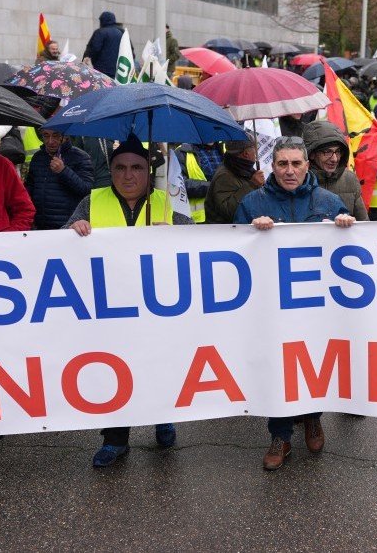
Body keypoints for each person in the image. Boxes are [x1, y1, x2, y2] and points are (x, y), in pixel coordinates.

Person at [66, 136, 190, 467]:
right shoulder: (91, 202)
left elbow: (196, 244)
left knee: (157, 364)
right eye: (120, 168)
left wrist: (176, 235)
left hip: (156, 308)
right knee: (113, 373)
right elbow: (62, 247)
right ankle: (115, 439)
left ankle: (163, 417)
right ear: (111, 170)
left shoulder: (165, 203)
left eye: (137, 167)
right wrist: (73, 230)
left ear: (148, 172)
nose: (128, 175)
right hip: (110, 310)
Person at [233, 137, 354, 470]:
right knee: (278, 368)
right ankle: (281, 434)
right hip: (270, 307)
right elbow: (232, 252)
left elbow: (354, 248)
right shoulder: (252, 203)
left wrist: (345, 225)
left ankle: (313, 417)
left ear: (307, 165)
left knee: (312, 363)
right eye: (282, 164)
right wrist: (249, 231)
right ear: (273, 166)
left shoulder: (329, 202)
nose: (290, 171)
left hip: (316, 308)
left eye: (296, 164)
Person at [25, 129, 94, 230]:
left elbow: (86, 190)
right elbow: (30, 188)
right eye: (46, 135)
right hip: (40, 225)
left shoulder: (80, 157)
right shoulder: (38, 157)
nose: (50, 141)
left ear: (65, 136)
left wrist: (63, 171)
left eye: (56, 136)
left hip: (67, 225)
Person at [302, 120, 368, 221]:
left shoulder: (350, 178)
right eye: (327, 152)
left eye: (338, 152)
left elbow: (363, 223)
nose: (335, 159)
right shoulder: (299, 180)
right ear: (311, 154)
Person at [205, 133, 263, 224]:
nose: (256, 153)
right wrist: (252, 185)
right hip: (226, 234)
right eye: (255, 150)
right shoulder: (224, 176)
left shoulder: (243, 169)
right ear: (246, 154)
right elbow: (229, 211)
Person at [82, 11, 124, 78]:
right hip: (118, 70)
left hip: (102, 69)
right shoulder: (121, 32)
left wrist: (86, 57)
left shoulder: (100, 32)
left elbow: (94, 48)